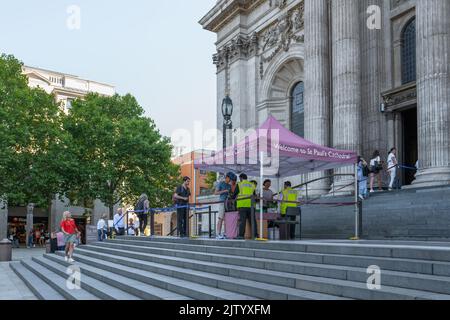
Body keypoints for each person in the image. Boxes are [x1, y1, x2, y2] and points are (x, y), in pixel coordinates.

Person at [237, 173, 258, 240]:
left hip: (242, 205)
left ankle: (241, 235)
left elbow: (234, 194)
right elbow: (254, 196)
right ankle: (255, 235)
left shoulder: (239, 184)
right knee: (253, 221)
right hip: (251, 205)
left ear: (241, 178)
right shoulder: (252, 185)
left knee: (242, 221)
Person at [214, 173, 232, 239]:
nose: (230, 180)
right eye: (230, 179)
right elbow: (215, 193)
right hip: (222, 202)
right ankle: (218, 233)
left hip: (228, 202)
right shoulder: (221, 183)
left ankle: (225, 233)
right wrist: (224, 191)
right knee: (220, 218)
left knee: (226, 219)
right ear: (226, 177)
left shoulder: (229, 185)